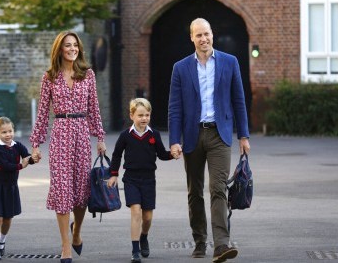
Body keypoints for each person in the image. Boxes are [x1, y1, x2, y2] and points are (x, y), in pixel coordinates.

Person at [168, 18, 251, 263]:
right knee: (195, 192)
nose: (203, 39)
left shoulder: (229, 62)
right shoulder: (180, 68)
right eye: (198, 35)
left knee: (218, 189)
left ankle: (221, 245)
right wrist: (174, 140)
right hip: (192, 135)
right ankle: (200, 241)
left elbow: (239, 100)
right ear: (191, 38)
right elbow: (174, 108)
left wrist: (243, 135)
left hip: (219, 135)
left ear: (212, 35)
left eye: (207, 34)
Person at [29, 31, 106, 263]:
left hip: (82, 133)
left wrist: (100, 137)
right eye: (67, 46)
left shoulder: (88, 74)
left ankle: (77, 233)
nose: (72, 49)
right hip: (60, 133)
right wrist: (36, 144)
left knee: (82, 193)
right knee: (63, 191)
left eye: (75, 45)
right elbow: (42, 113)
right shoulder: (49, 77)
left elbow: (94, 108)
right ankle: (65, 246)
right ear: (59, 50)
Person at [107, 98, 173, 263]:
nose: (144, 118)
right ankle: (135, 250)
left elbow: (162, 154)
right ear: (132, 115)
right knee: (136, 211)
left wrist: (172, 154)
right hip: (131, 179)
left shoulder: (154, 134)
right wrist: (113, 174)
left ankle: (144, 236)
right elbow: (116, 155)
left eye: (147, 115)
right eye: (140, 115)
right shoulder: (125, 136)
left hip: (149, 179)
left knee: (148, 217)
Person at [0, 116, 34, 260]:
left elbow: (27, 156)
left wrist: (33, 158)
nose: (8, 135)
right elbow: (5, 166)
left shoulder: (17, 145)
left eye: (10, 131)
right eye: (4, 132)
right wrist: (21, 165)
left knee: (8, 218)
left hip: (10, 187)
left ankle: (2, 241)